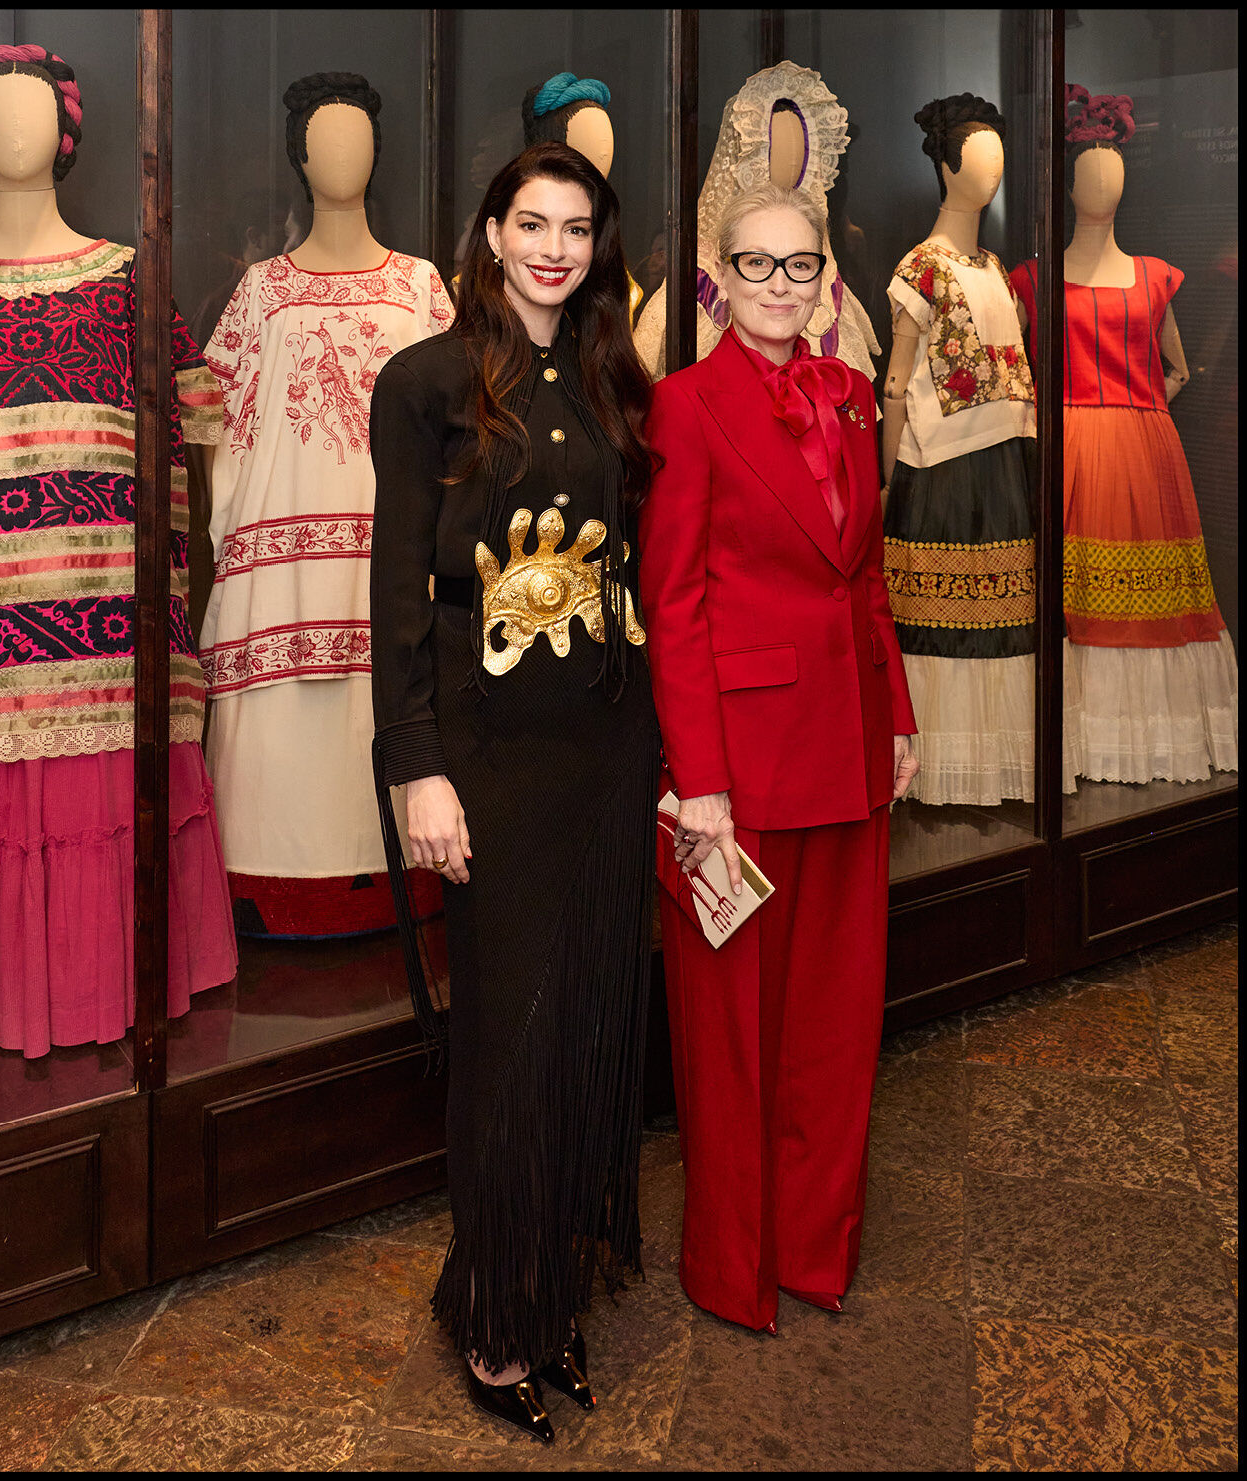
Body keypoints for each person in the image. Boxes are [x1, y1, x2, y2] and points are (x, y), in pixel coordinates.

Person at [367, 141, 660, 1444]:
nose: (552, 246)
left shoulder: (612, 381)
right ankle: (491, 1324)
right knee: (506, 1045)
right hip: (481, 760)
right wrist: (414, 766)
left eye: (575, 226)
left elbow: (632, 573)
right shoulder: (423, 381)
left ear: (599, 245)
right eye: (529, 222)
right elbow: (389, 602)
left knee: (587, 1025)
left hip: (602, 754)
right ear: (487, 234)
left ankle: (544, 1298)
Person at [638, 182, 919, 1334]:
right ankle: (732, 1266)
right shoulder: (683, 407)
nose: (777, 287)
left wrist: (894, 710)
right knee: (730, 1034)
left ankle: (814, 1249)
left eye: (798, 266)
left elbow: (865, 574)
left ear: (824, 280)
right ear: (717, 277)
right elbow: (674, 602)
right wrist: (695, 778)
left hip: (848, 748)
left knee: (836, 1023)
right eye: (754, 266)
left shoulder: (853, 396)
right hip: (739, 772)